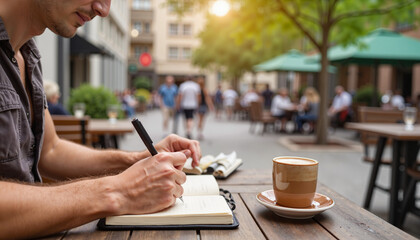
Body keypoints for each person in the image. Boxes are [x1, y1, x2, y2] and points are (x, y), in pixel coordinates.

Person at [0, 1, 201, 239]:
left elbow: (51, 151)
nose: (102, 10)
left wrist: (138, 160)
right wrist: (118, 192)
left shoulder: (26, 52)